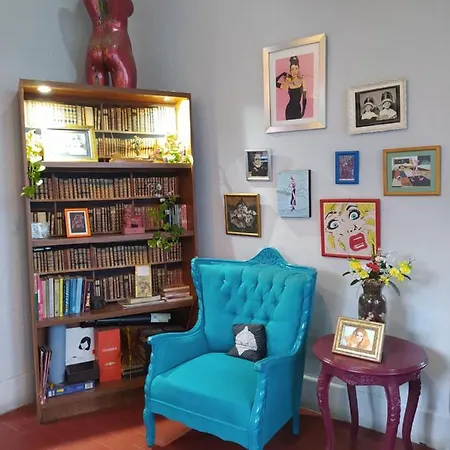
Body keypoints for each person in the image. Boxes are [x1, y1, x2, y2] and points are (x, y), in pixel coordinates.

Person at [84, 0, 137, 88]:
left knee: (95, 96)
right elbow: (129, 9)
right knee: (126, 95)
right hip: (116, 42)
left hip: (95, 43)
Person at [275, 56, 307, 120]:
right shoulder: (288, 83)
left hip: (298, 110)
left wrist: (303, 112)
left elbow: (304, 98)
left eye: (296, 68)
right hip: (289, 110)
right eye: (292, 69)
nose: (294, 71)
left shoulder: (302, 81)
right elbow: (274, 83)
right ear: (290, 70)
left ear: (298, 69)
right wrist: (282, 74)